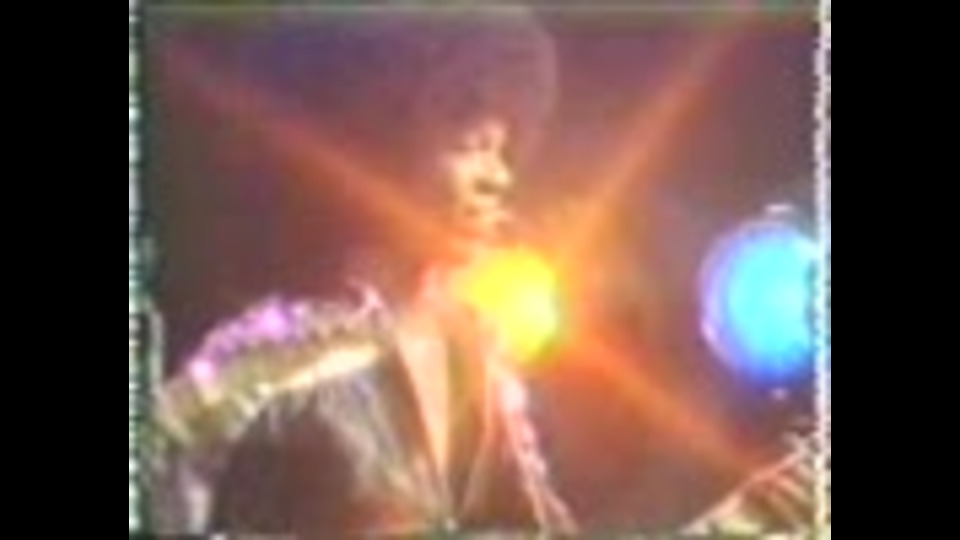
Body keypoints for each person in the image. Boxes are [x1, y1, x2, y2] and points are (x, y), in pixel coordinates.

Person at [151, 8, 575, 537]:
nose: (499, 177)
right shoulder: (262, 373)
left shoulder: (478, 359)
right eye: (469, 146)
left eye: (502, 150)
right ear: (374, 149)